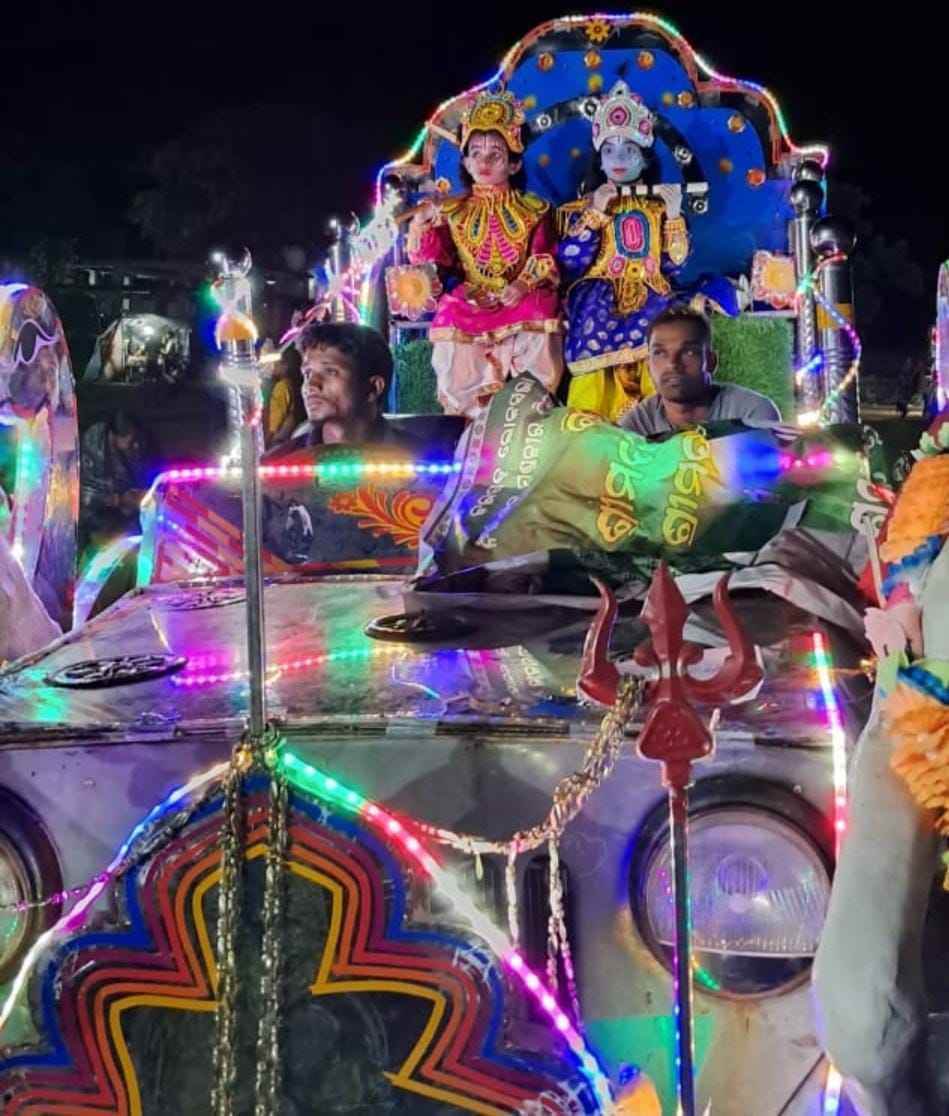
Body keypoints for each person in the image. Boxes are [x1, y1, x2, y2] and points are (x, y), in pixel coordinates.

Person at [407, 89, 563, 417]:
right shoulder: (452, 211)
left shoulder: (535, 209)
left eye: (496, 154)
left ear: (514, 163)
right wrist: (422, 225)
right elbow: (430, 262)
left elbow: (544, 257)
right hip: (473, 298)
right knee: (449, 313)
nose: (484, 162)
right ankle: (466, 416)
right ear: (465, 162)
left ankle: (529, 411)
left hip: (519, 296)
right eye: (476, 153)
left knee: (541, 307)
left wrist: (521, 284)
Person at [558, 80, 690, 422]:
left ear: (644, 160)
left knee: (662, 335)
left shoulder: (658, 208)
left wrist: (674, 215)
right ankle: (586, 428)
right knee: (591, 332)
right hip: (600, 297)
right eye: (609, 151)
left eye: (629, 151)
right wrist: (596, 214)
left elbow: (675, 265)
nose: (618, 159)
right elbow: (570, 260)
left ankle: (660, 424)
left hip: (651, 292)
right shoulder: (582, 209)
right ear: (599, 162)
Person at [263, 320, 425, 458]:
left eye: (330, 371)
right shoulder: (281, 465)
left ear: (374, 388)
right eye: (307, 373)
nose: (311, 385)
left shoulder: (422, 461)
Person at [618, 304, 780, 436]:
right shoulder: (634, 428)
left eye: (689, 352)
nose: (672, 364)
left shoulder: (752, 414)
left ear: (711, 362)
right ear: (648, 366)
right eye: (660, 353)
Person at [78, 411, 148, 557]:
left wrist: (136, 492)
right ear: (114, 436)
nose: (135, 445)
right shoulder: (92, 449)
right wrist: (117, 500)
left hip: (121, 508)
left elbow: (138, 471)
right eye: (130, 441)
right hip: (95, 513)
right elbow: (84, 493)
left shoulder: (130, 447)